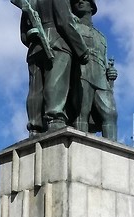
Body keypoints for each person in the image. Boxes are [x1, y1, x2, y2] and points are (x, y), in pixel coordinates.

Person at [17, 0, 90, 134]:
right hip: (57, 43)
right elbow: (64, 22)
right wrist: (82, 50)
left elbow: (23, 35)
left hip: (35, 48)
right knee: (56, 81)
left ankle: (34, 126)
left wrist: (34, 37)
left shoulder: (29, 1)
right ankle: (55, 120)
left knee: (35, 89)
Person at [68, 0, 117, 140]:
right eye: (77, 1)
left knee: (111, 113)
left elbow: (104, 59)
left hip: (101, 77)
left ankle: (111, 153)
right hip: (81, 71)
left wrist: (110, 74)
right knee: (82, 111)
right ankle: (79, 147)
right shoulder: (73, 27)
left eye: (85, 0)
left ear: (92, 7)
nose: (80, 2)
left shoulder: (101, 37)